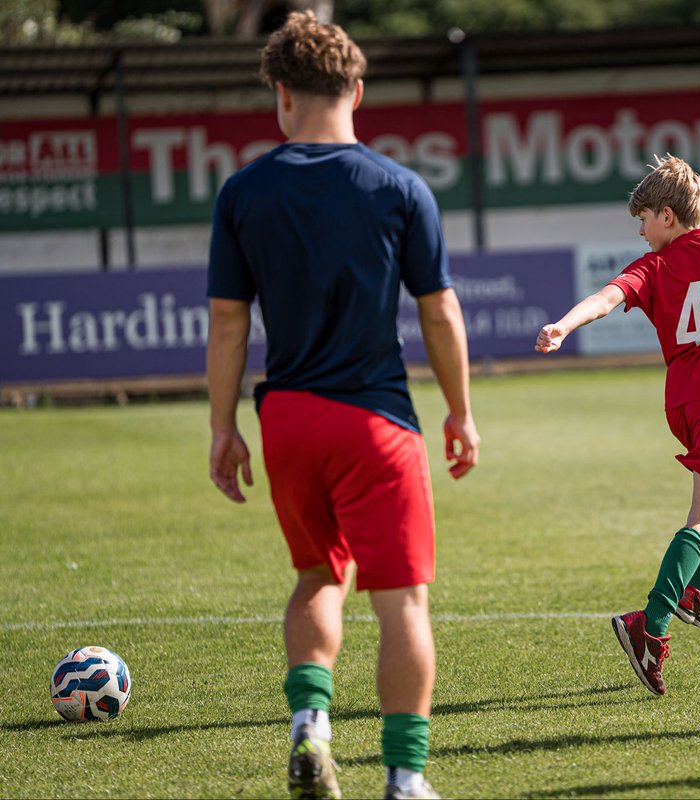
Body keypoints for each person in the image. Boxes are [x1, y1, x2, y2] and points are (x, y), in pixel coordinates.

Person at [205, 12, 479, 800]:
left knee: (318, 574)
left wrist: (224, 428)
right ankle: (403, 777)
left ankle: (311, 728)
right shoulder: (399, 188)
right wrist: (459, 411)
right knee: (402, 603)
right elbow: (439, 313)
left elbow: (228, 322)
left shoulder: (243, 192)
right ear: (356, 90)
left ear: (280, 96)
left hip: (285, 418)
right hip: (374, 421)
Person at [534, 155, 700, 695]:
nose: (641, 229)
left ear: (668, 217)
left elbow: (606, 300)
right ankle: (649, 627)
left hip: (684, 403)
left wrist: (563, 324)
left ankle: (696, 590)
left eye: (645, 218)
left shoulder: (653, 268)